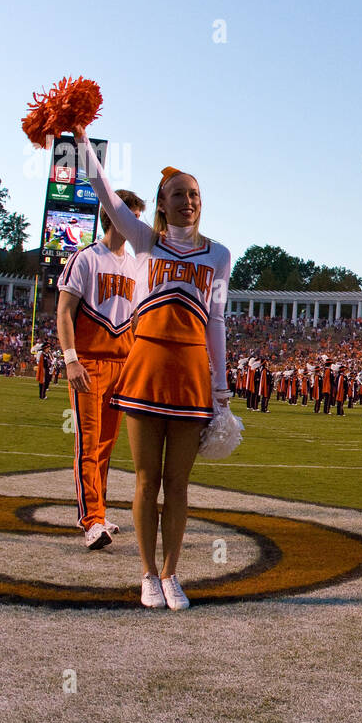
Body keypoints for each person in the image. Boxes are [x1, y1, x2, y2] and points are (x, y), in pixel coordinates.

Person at [77, 132, 232, 610]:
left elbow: (218, 320)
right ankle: (146, 573)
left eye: (195, 194)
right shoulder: (145, 241)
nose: (188, 201)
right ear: (162, 204)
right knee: (147, 479)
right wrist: (81, 134)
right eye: (178, 194)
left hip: (190, 376)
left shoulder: (220, 255)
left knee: (179, 483)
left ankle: (171, 573)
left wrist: (221, 388)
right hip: (144, 367)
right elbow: (103, 191)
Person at [56, 188, 147, 550]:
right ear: (113, 216)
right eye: (132, 215)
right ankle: (90, 519)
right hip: (90, 363)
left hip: (122, 363)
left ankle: (100, 511)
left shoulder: (137, 265)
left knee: (107, 446)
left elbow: (135, 319)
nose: (137, 223)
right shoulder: (86, 258)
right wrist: (71, 358)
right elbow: (64, 311)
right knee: (88, 444)